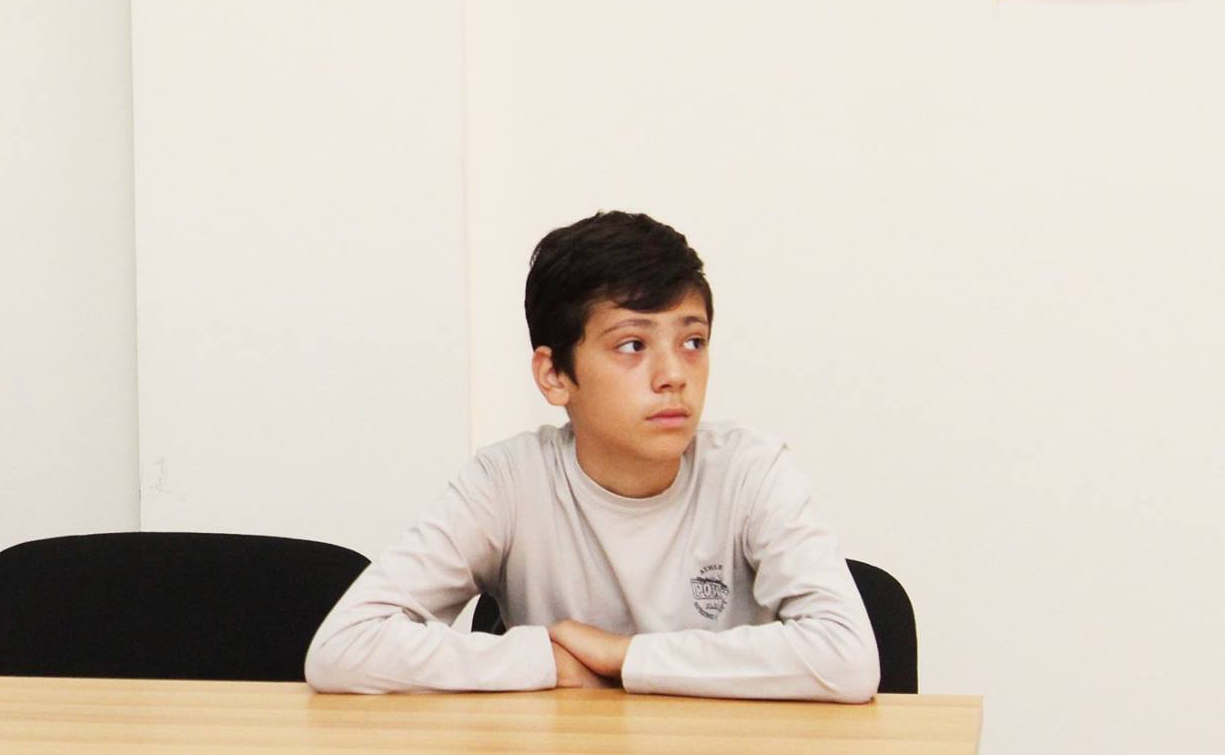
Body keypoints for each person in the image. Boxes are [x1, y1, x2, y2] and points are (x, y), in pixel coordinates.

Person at [304, 211, 878, 701]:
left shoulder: (750, 471)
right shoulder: (509, 483)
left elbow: (848, 659)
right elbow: (343, 648)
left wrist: (624, 658)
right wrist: (547, 663)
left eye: (692, 342)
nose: (674, 375)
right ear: (554, 375)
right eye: (632, 345)